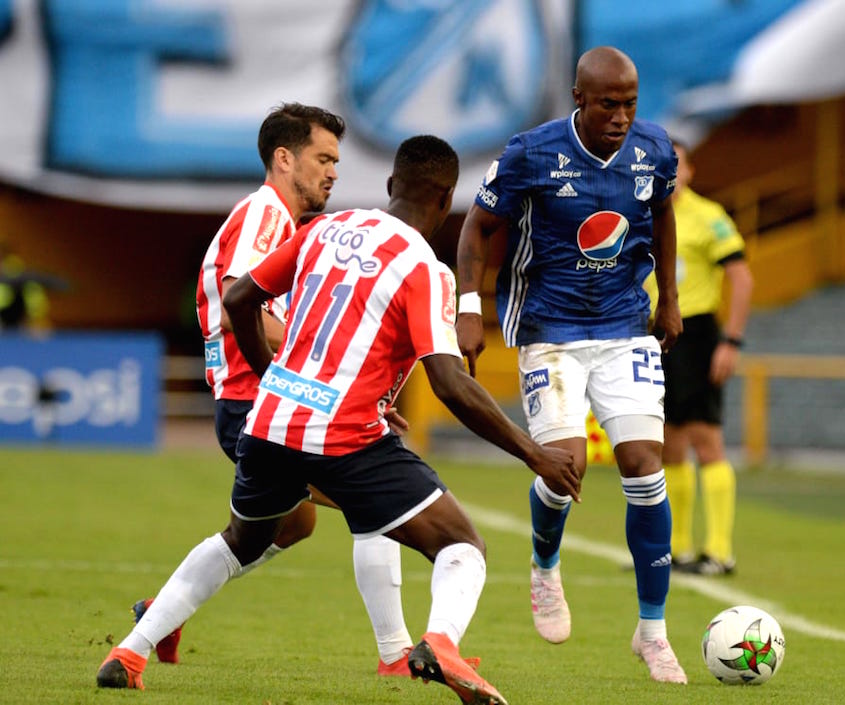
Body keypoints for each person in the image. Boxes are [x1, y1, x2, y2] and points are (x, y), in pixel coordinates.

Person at [96, 135, 580, 704]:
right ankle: (438, 644)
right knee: (461, 545)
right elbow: (450, 382)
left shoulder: (325, 229)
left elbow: (239, 299)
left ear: (390, 185)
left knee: (241, 542)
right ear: (446, 198)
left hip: (270, 421)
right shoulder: (424, 269)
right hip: (344, 436)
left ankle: (129, 651)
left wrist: (271, 376)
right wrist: (534, 454)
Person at [140, 102, 414, 676]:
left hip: (251, 404)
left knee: (295, 523)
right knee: (382, 498)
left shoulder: (280, 223)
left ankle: (159, 617)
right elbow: (247, 300)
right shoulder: (266, 213)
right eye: (323, 158)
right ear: (284, 159)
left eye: (336, 160)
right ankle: (396, 654)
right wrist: (326, 378)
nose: (333, 172)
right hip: (260, 403)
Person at [455, 46, 688, 684]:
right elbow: (476, 227)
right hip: (549, 328)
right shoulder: (531, 151)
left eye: (630, 103)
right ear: (579, 97)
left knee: (645, 465)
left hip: (623, 326)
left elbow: (662, 214)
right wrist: (468, 306)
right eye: (609, 103)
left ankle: (652, 630)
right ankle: (545, 564)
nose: (621, 116)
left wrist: (668, 299)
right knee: (566, 466)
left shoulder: (655, 150)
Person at [647, 140, 753, 577]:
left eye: (677, 164)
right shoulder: (641, 213)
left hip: (695, 335)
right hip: (652, 335)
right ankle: (680, 549)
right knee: (668, 442)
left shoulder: (709, 217)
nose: (670, 173)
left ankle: (720, 551)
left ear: (689, 171)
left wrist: (731, 341)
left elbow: (742, 278)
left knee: (705, 438)